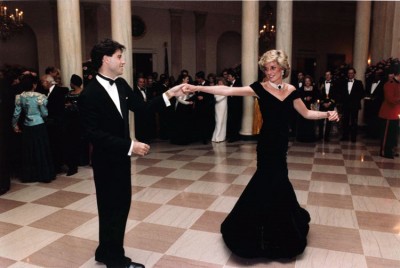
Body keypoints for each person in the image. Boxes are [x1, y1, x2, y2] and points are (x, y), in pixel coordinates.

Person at [184, 49, 339, 259]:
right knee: (268, 181)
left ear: (283, 68)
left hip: (281, 144)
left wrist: (326, 114)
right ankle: (256, 232)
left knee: (279, 181)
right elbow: (228, 91)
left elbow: (306, 113)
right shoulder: (259, 88)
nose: (269, 72)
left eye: (273, 68)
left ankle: (282, 228)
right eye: (266, 69)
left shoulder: (292, 90)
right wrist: (195, 86)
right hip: (266, 145)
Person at [78, 38, 183, 268]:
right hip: (106, 161)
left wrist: (170, 94)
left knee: (119, 205)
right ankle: (116, 260)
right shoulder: (90, 94)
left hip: (121, 160)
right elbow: (92, 134)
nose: (123, 61)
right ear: (106, 60)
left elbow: (144, 109)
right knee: (111, 207)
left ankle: (105, 251)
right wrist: (129, 146)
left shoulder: (123, 84)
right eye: (119, 56)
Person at [12, 74, 55, 183]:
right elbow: (44, 113)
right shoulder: (40, 96)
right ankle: (44, 174)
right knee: (41, 149)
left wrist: (14, 125)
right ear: (34, 85)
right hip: (39, 125)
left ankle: (30, 175)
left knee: (29, 150)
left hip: (27, 126)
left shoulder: (20, 97)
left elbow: (16, 114)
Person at [41, 74, 69, 174]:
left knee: (59, 144)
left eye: (43, 82)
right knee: (54, 145)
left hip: (58, 122)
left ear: (47, 82)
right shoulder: (45, 92)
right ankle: (57, 165)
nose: (42, 84)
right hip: (51, 123)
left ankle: (61, 165)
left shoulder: (59, 91)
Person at [64, 74, 83, 176]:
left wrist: (72, 106)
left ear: (73, 83)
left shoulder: (84, 93)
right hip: (69, 122)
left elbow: (84, 107)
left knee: (79, 142)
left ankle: (79, 162)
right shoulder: (68, 93)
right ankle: (72, 164)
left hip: (80, 121)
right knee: (71, 143)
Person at [378, 67, 400, 159]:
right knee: (387, 134)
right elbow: (390, 99)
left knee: (393, 134)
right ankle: (384, 151)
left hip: (396, 113)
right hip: (388, 113)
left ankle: (391, 149)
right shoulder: (389, 84)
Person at [339, 68, 365, 142]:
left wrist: (355, 99)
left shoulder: (359, 83)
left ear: (354, 74)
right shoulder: (343, 82)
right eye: (349, 73)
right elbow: (341, 93)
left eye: (351, 73)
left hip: (354, 105)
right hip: (346, 105)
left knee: (354, 122)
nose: (350, 74)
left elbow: (362, 94)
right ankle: (345, 136)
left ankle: (353, 138)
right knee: (345, 121)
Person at [296, 75, 319, 142]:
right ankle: (302, 138)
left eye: (308, 81)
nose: (307, 82)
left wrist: (312, 99)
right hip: (303, 107)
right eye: (306, 81)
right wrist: (305, 98)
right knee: (303, 123)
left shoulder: (314, 89)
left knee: (311, 123)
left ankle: (310, 138)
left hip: (311, 108)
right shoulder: (301, 89)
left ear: (311, 81)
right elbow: (298, 97)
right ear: (304, 82)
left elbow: (317, 97)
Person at [318, 70, 338, 142]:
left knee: (329, 121)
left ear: (331, 76)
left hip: (331, 104)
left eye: (328, 75)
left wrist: (330, 103)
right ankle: (320, 136)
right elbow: (319, 94)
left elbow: (336, 94)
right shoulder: (321, 84)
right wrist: (323, 103)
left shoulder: (335, 84)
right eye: (326, 75)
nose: (327, 76)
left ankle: (326, 137)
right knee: (321, 121)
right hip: (323, 105)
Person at [226, 68, 243, 142]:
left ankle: (235, 137)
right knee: (231, 121)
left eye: (229, 76)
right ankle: (232, 136)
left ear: (233, 77)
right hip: (231, 106)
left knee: (236, 121)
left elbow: (239, 94)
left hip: (237, 106)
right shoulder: (228, 84)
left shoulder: (238, 83)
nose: (228, 78)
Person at [212, 77, 228, 142]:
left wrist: (224, 94)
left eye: (221, 81)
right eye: (219, 81)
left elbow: (225, 96)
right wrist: (224, 95)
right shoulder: (216, 88)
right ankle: (216, 137)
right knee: (219, 121)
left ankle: (222, 137)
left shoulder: (226, 88)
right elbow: (216, 98)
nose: (220, 82)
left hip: (224, 106)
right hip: (218, 106)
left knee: (223, 121)